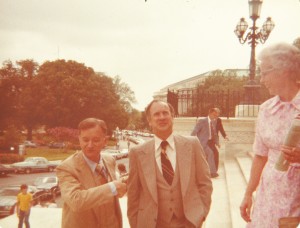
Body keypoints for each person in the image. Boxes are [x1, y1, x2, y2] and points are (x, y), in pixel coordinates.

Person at [240, 42, 300, 227]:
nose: (261, 79)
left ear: (284, 70)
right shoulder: (266, 109)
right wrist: (249, 193)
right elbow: (260, 155)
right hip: (269, 197)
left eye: (265, 72)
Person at [127, 100, 212, 228]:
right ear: (149, 121)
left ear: (172, 117)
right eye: (156, 114)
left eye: (165, 113)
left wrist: (200, 214)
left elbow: (204, 183)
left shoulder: (192, 144)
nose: (161, 117)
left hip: (188, 223)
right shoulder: (137, 153)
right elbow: (133, 196)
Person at [56, 118, 127, 228]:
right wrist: (113, 187)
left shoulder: (110, 160)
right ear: (79, 139)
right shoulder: (66, 167)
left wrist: (122, 185)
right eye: (85, 140)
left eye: (95, 140)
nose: (90, 145)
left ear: (105, 140)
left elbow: (110, 194)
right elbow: (76, 201)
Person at [191, 108, 219, 177]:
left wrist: (217, 142)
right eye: (214, 115)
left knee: (216, 153)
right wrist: (193, 142)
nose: (215, 117)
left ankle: (214, 170)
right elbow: (194, 132)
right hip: (203, 143)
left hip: (211, 142)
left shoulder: (214, 122)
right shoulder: (202, 121)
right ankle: (212, 173)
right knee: (210, 153)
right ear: (210, 114)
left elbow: (215, 133)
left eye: (216, 116)